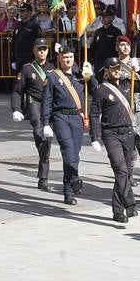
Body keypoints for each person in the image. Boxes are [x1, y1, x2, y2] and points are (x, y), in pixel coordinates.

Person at [41, 45, 93, 205]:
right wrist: (45, 123)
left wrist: (91, 75)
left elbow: (95, 90)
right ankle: (75, 179)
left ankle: (68, 191)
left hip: (77, 117)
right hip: (60, 117)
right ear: (59, 58)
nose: (67, 60)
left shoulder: (80, 75)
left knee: (73, 156)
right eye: (64, 57)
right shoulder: (52, 77)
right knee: (68, 150)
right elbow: (47, 101)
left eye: (70, 57)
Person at [89, 57, 138, 223]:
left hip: (128, 133)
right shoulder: (101, 90)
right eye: (113, 68)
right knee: (121, 170)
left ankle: (118, 211)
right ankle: (130, 204)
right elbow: (94, 114)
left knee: (126, 173)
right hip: (111, 134)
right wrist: (94, 137)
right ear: (106, 70)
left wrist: (139, 71)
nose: (117, 70)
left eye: (118, 67)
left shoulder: (127, 84)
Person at [10, 38, 54, 192]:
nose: (42, 51)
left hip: (50, 105)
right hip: (34, 102)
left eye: (44, 49)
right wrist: (16, 108)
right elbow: (17, 91)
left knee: (46, 141)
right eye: (39, 49)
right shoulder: (27, 69)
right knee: (40, 132)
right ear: (34, 51)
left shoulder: (53, 67)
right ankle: (43, 173)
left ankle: (44, 176)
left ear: (48, 51)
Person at [12, 3, 41, 71]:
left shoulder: (34, 26)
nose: (21, 13)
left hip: (30, 58)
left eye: (23, 11)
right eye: (20, 11)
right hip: (18, 58)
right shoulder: (18, 25)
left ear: (29, 12)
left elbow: (38, 43)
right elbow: (14, 41)